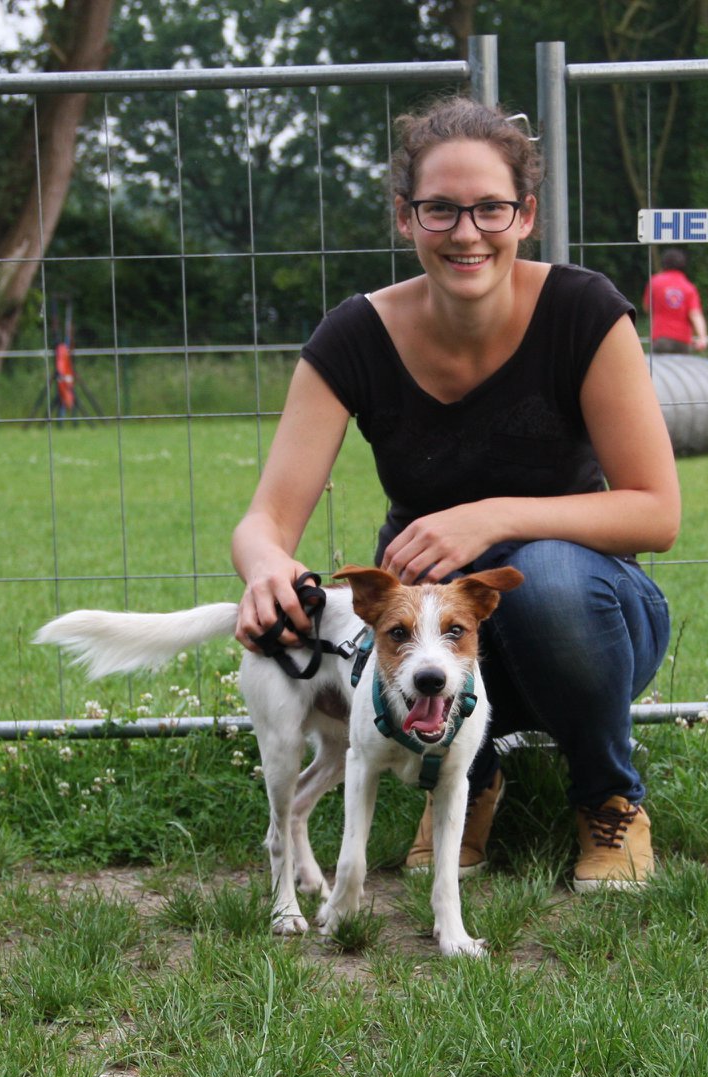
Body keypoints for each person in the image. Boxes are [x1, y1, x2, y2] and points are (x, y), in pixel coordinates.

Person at [230, 96, 680, 892]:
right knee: (421, 622)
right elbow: (267, 517)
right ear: (406, 218)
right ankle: (458, 782)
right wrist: (265, 566)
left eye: (490, 209)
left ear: (526, 214)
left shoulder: (584, 312)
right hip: (438, 635)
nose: (466, 233)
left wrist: (492, 517)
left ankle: (610, 798)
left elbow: (656, 511)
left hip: (590, 624)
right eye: (440, 210)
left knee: (548, 576)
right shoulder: (353, 337)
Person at [643, 248, 708, 354]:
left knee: (658, 370)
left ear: (664, 264)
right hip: (682, 340)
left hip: (660, 337)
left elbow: (647, 307)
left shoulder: (654, 282)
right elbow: (695, 314)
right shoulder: (688, 287)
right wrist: (702, 338)